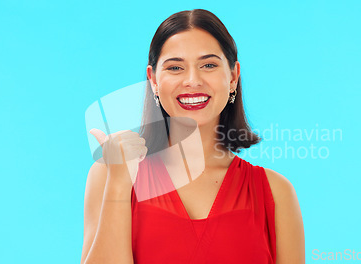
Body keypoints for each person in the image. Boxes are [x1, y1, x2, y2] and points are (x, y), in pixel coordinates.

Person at [82, 9, 304, 264]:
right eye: (175, 67)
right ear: (153, 80)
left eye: (208, 65)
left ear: (233, 76)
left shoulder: (275, 192)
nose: (192, 80)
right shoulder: (109, 175)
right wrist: (120, 182)